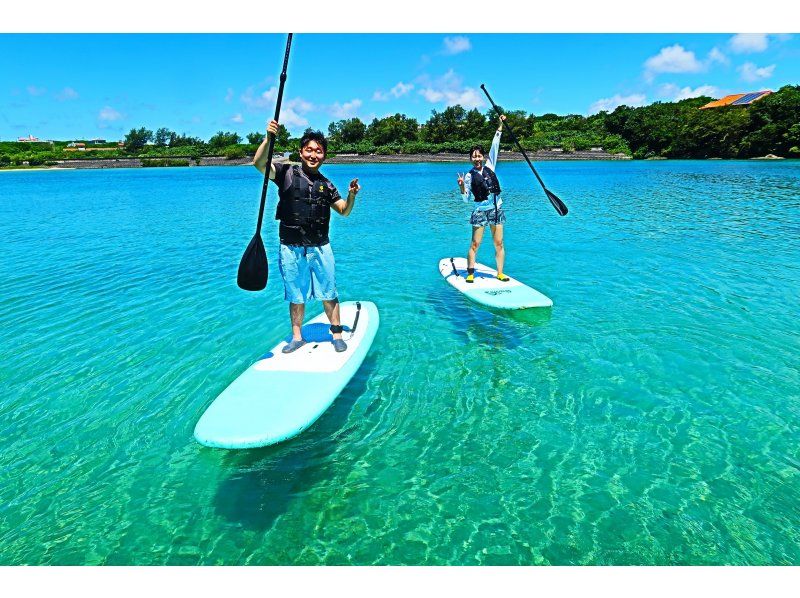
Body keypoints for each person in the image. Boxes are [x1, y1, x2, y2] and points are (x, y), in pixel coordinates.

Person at [253, 120, 360, 353]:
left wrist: (351, 196)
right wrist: (269, 138)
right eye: (309, 150)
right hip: (290, 247)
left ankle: (337, 334)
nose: (313, 155)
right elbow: (259, 163)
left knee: (329, 292)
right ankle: (297, 337)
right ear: (301, 152)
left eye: (319, 151)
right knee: (296, 294)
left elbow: (344, 210)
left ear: (324, 156)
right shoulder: (286, 173)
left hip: (321, 247)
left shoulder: (326, 184)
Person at [456, 114, 509, 283]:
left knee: (499, 243)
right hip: (480, 211)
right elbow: (466, 200)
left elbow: (495, 146)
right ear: (470, 159)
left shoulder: (490, 165)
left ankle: (500, 273)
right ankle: (470, 272)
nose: (477, 159)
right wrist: (462, 186)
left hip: (496, 209)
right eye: (474, 156)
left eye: (479, 156)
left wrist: (500, 126)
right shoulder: (469, 176)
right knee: (475, 244)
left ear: (483, 157)